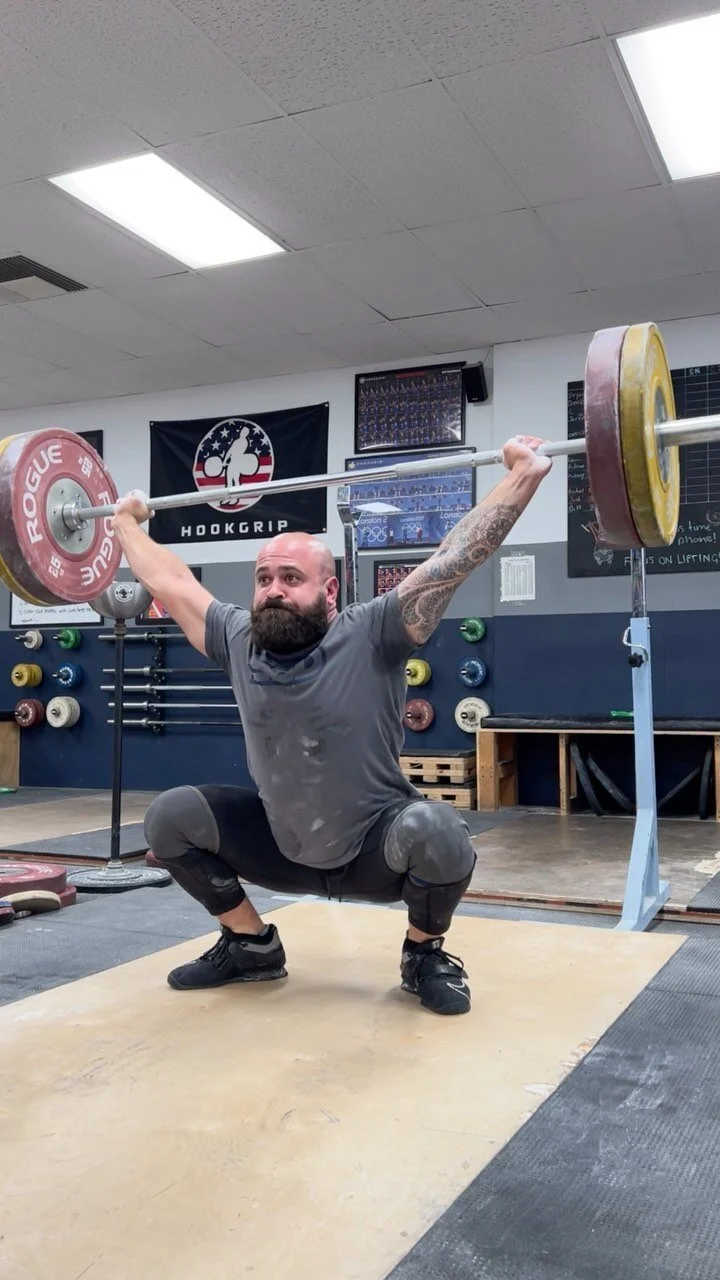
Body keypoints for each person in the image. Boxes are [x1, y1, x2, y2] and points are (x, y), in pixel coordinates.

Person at [112, 434, 552, 1016]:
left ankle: (423, 956)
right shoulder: (238, 639)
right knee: (170, 817)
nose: (273, 590)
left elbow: (454, 558)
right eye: (264, 578)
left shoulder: (372, 632)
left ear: (329, 589)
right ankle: (250, 946)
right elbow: (171, 582)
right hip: (282, 846)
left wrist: (524, 474)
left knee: (441, 831)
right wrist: (125, 523)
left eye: (290, 578)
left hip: (376, 851)